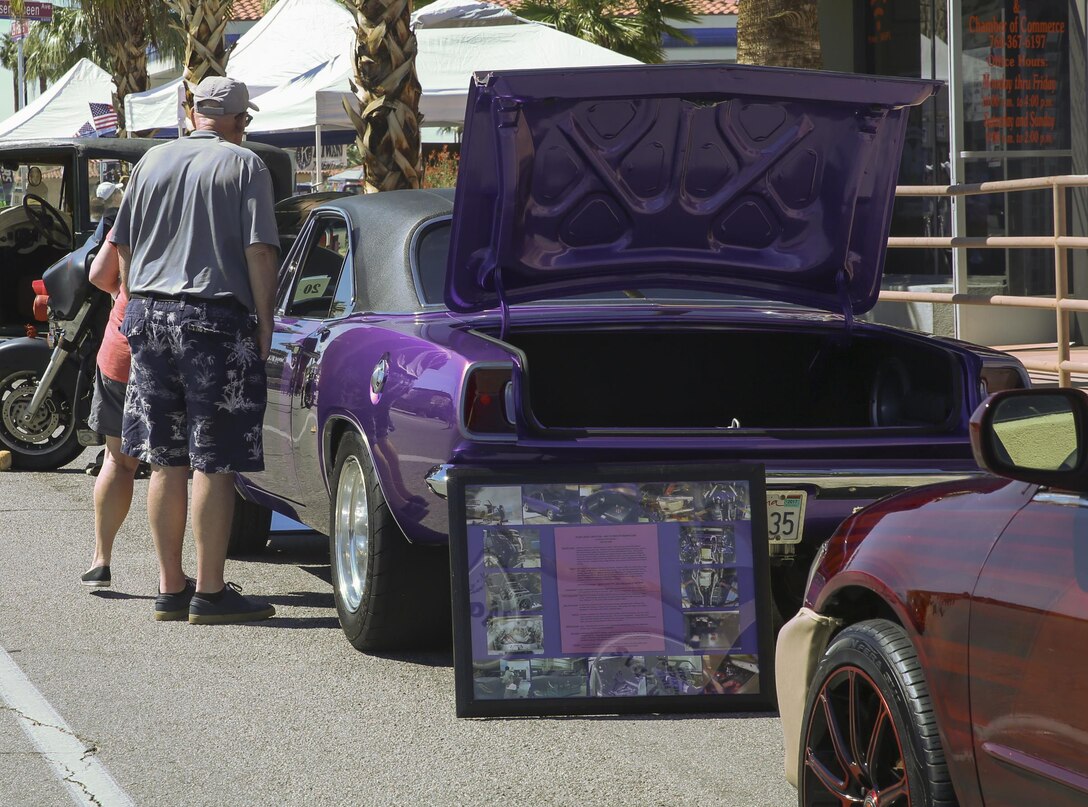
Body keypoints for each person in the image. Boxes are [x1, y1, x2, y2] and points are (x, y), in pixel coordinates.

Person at [110, 76, 279, 624]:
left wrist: (135, 307)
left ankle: (169, 587)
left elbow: (125, 250)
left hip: (149, 315)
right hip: (214, 318)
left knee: (165, 459)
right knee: (216, 459)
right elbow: (258, 249)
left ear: (193, 112)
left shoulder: (151, 162)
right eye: (244, 120)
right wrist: (264, 319)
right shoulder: (243, 164)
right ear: (235, 120)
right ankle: (209, 591)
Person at [80, 210, 140, 588]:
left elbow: (99, 275)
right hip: (179, 350)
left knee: (117, 463)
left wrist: (122, 293)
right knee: (177, 468)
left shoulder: (135, 208)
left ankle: (101, 560)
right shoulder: (207, 208)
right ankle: (184, 578)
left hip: (121, 347)